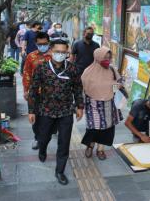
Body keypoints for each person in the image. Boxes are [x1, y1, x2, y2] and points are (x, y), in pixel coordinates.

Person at [28, 39, 84, 185]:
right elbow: (33, 90)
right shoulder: (41, 68)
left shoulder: (72, 69)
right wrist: (31, 111)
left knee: (64, 142)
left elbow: (78, 88)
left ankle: (59, 171)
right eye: (57, 51)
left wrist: (80, 106)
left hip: (65, 111)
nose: (60, 54)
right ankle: (42, 149)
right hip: (46, 110)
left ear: (67, 53)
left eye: (63, 52)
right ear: (51, 51)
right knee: (43, 137)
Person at [81, 47, 123, 160]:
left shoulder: (112, 70)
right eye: (105, 58)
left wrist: (112, 87)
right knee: (93, 128)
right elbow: (84, 88)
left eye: (109, 58)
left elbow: (118, 84)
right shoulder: (88, 71)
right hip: (93, 104)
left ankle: (100, 150)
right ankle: (90, 146)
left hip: (108, 104)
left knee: (106, 129)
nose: (107, 60)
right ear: (97, 57)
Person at [22, 32, 51, 150]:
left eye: (45, 44)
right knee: (35, 117)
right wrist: (26, 90)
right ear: (36, 44)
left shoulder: (54, 56)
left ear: (48, 43)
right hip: (34, 93)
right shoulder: (31, 56)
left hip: (51, 94)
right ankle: (37, 138)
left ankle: (45, 136)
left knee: (48, 118)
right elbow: (26, 74)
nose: (42, 46)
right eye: (40, 44)